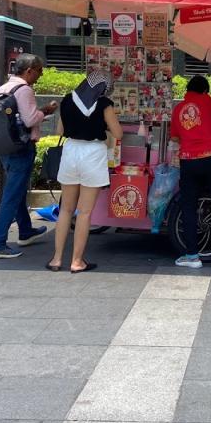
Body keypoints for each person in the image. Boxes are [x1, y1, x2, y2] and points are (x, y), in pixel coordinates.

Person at [48, 70, 123, 273]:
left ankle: (56, 259)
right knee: (85, 212)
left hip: (71, 152)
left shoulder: (67, 99)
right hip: (93, 154)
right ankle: (76, 261)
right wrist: (100, 128)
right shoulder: (104, 104)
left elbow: (59, 131)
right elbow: (118, 133)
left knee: (65, 210)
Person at [0, 54, 57, 260]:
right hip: (21, 149)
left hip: (5, 148)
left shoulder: (3, 89)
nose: (40, 75)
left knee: (16, 192)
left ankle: (25, 231)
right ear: (29, 71)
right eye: (39, 71)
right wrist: (47, 110)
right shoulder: (24, 90)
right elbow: (30, 118)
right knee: (12, 196)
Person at [169, 75, 211, 268]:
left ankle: (192, 256)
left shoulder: (178, 108)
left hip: (188, 160)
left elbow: (174, 138)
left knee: (188, 205)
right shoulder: (207, 100)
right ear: (205, 90)